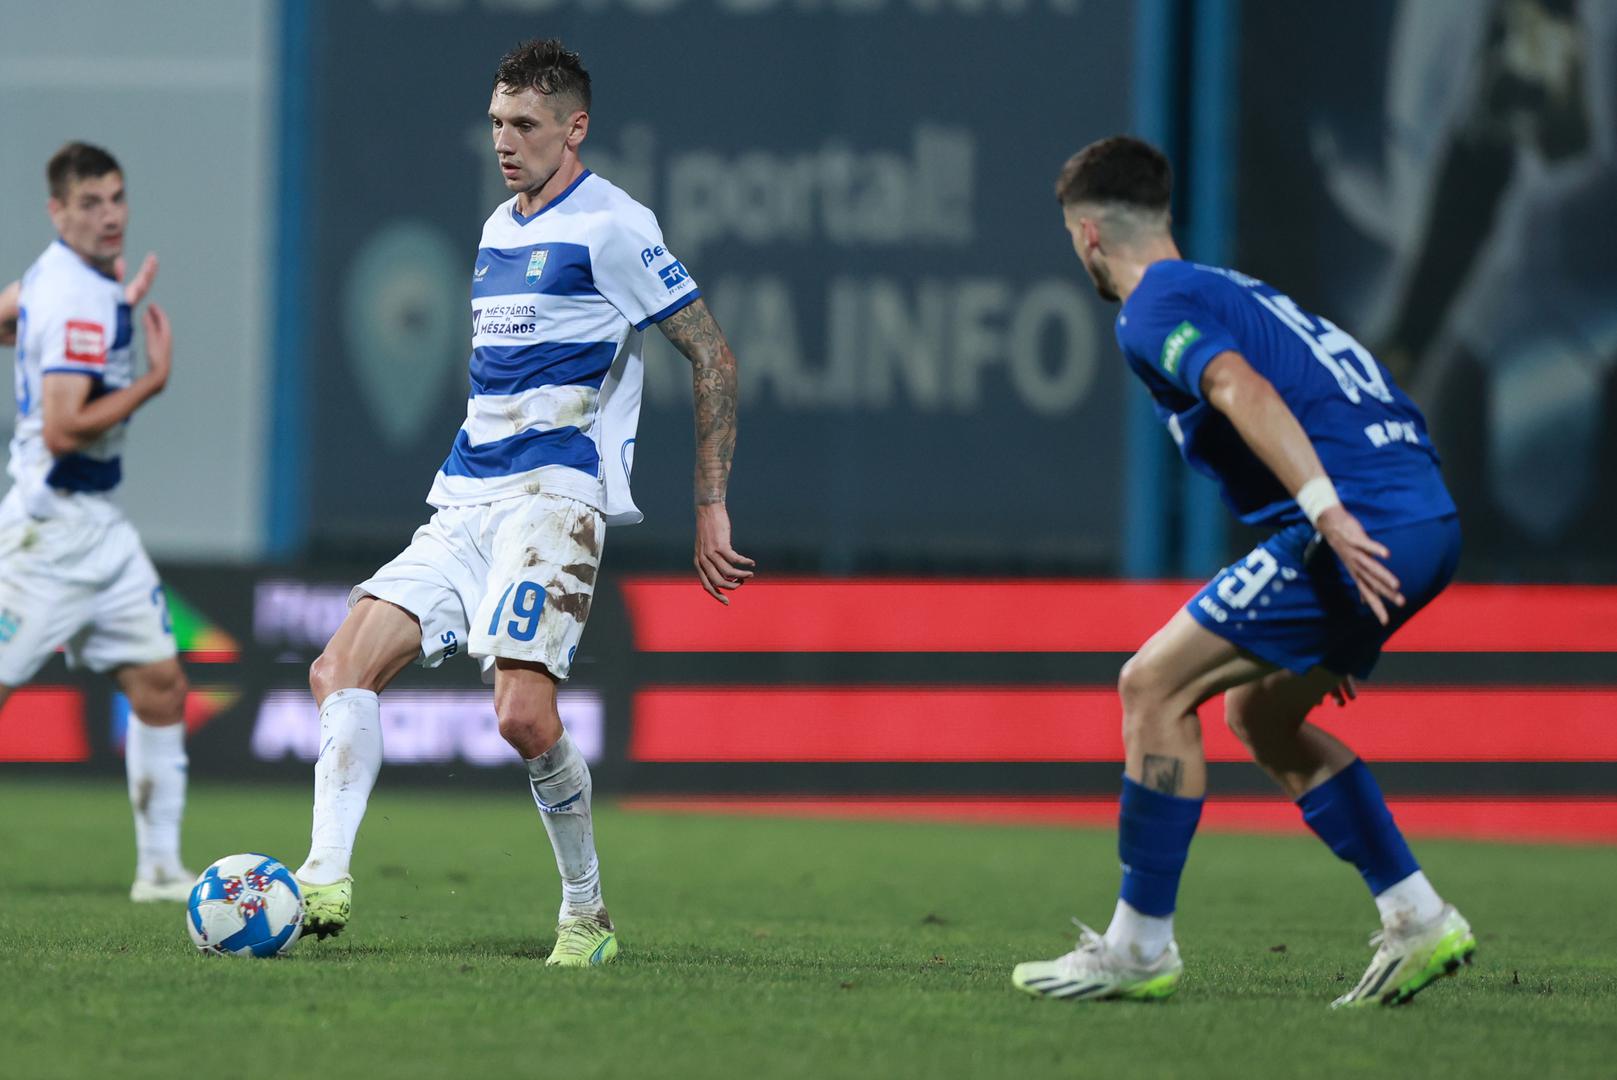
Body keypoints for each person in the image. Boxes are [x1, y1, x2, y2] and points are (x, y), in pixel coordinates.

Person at [292, 38, 753, 967]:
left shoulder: (613, 225)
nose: (505, 141)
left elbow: (711, 354)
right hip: (465, 498)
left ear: (574, 128)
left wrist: (710, 504)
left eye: (526, 125)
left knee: (522, 718)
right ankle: (323, 879)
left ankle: (587, 915)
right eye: (497, 123)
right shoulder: (499, 227)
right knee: (337, 669)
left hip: (553, 499)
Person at [1012, 136, 1471, 1008]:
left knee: (1150, 686)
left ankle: (1138, 947)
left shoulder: (1152, 308)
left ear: (1087, 235)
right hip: (1423, 516)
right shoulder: (1235, 289)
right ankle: (1417, 916)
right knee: (1259, 713)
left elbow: (1237, 388)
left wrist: (1328, 514)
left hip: (1359, 522)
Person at [0, 142, 191, 902]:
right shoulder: (77, 295)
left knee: (160, 684)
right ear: (58, 211)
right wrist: (153, 380)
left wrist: (40, 334)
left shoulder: (59, 278)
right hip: (45, 534)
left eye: (115, 198)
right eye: (89, 203)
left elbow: (11, 314)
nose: (109, 216)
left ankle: (160, 869)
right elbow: (61, 430)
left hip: (97, 531)